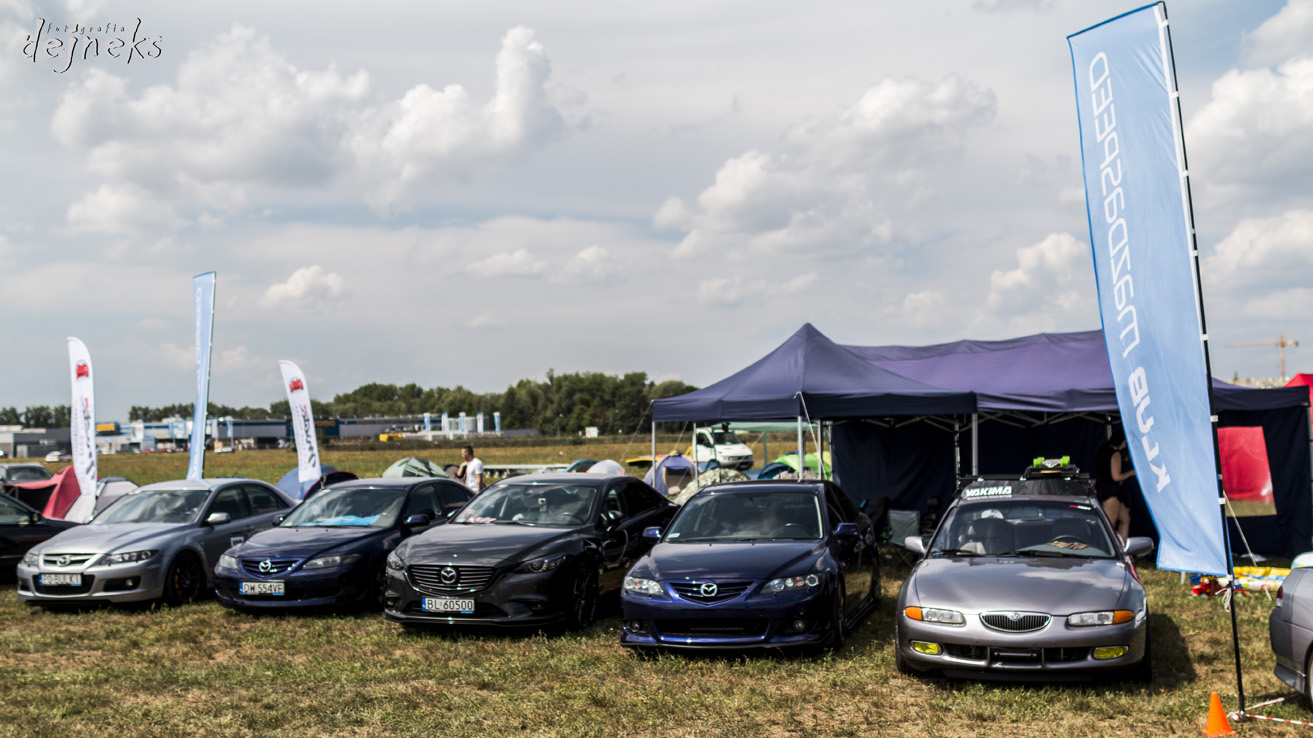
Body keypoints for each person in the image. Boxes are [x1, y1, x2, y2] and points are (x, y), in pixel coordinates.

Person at [1095, 429, 1135, 542]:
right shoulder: (1115, 454)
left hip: (1102, 489)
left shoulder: (1103, 451)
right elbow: (1116, 477)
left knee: (1125, 519)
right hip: (1111, 493)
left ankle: (1122, 546)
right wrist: (1131, 473)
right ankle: (1106, 547)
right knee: (1109, 526)